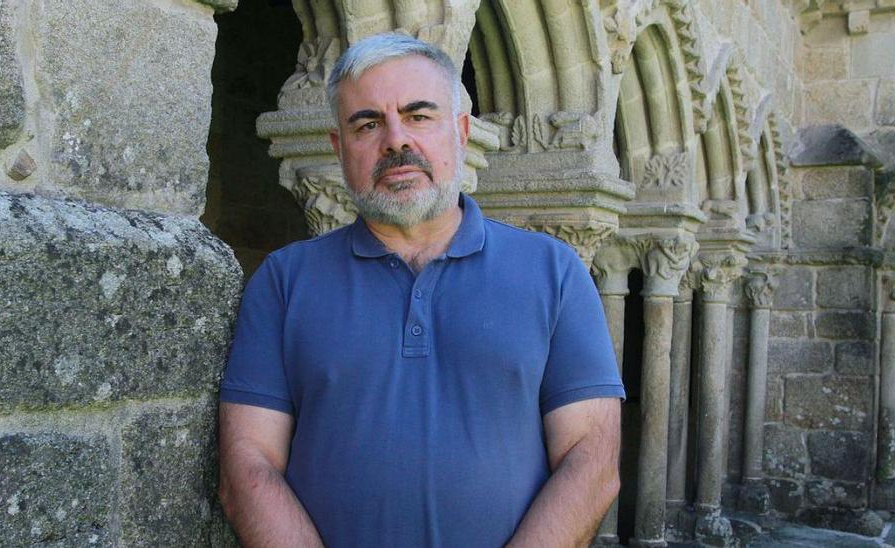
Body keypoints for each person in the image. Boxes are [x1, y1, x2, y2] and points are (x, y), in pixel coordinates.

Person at [217, 33, 624, 547]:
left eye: (418, 115)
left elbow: (591, 459)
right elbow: (248, 467)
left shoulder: (554, 272)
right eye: (367, 123)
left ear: (459, 131)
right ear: (339, 149)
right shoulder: (283, 282)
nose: (395, 141)